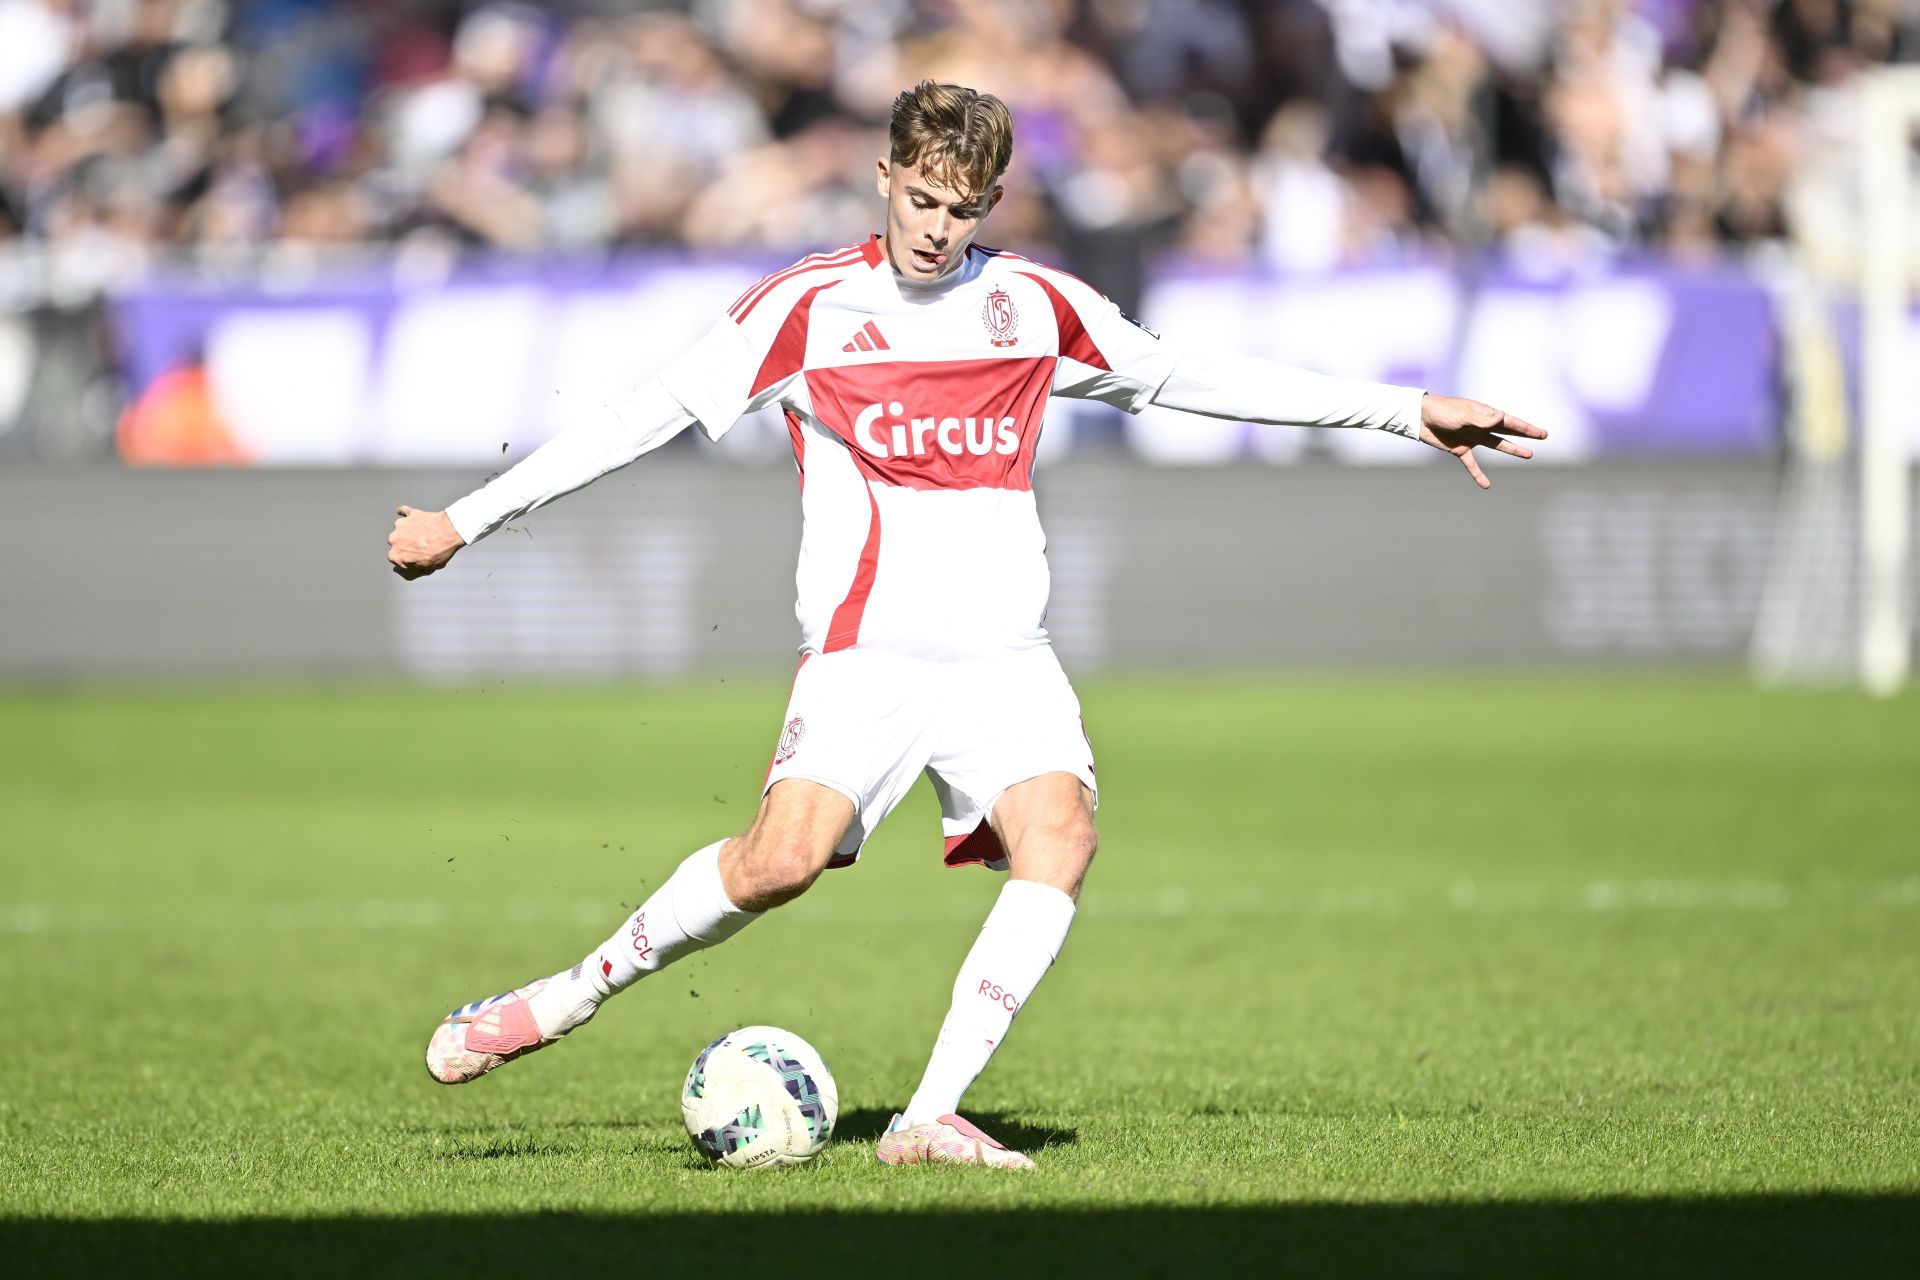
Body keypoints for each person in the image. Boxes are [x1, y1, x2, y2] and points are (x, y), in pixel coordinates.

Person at [386, 81, 1545, 1170]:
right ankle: (559, 997)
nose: (938, 228)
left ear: (992, 204)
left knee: (1064, 836)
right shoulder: (806, 309)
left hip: (1006, 659)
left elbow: (1190, 376)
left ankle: (930, 1112)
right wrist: (466, 519)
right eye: (921, 199)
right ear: (885, 177)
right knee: (778, 862)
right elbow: (633, 420)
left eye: (964, 207)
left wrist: (1407, 412)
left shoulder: (1032, 307)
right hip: (868, 654)